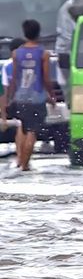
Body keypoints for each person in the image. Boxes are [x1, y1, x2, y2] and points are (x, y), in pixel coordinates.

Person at [3, 20, 58, 171]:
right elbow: (46, 78)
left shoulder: (16, 53)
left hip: (20, 97)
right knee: (32, 131)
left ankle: (20, 160)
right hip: (36, 98)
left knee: (23, 127)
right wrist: (52, 95)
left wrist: (10, 97)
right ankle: (25, 166)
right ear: (38, 33)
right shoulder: (43, 54)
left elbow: (14, 78)